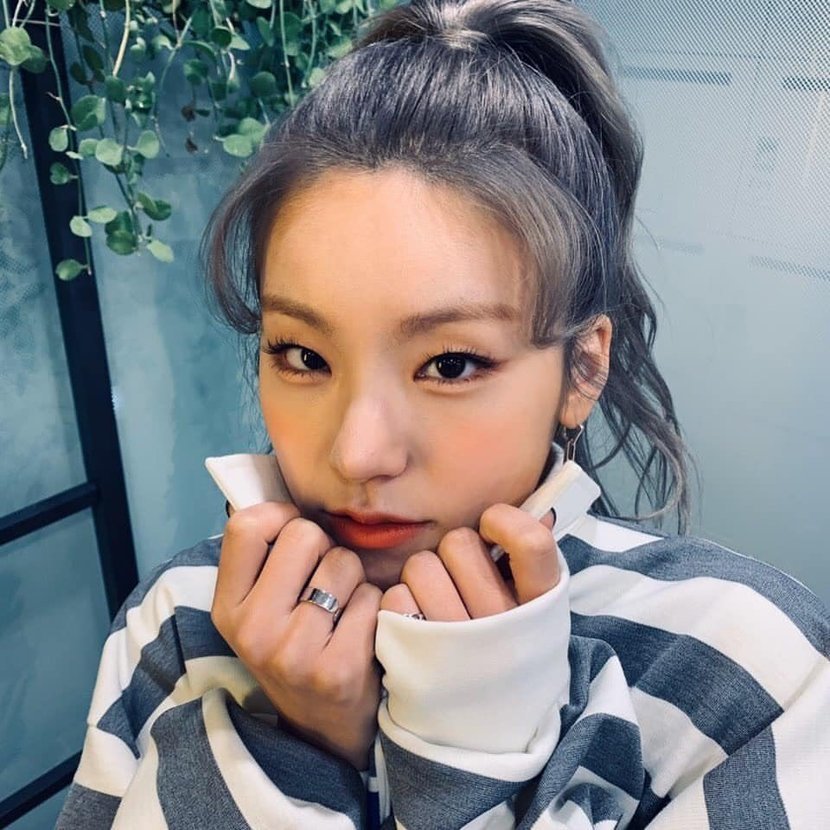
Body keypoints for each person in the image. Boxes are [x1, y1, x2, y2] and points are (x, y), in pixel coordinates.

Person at [56, 0, 830, 827]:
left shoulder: (746, 665)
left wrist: (469, 757)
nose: (358, 454)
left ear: (583, 368)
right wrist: (296, 741)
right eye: (303, 356)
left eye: (451, 364)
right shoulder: (179, 615)